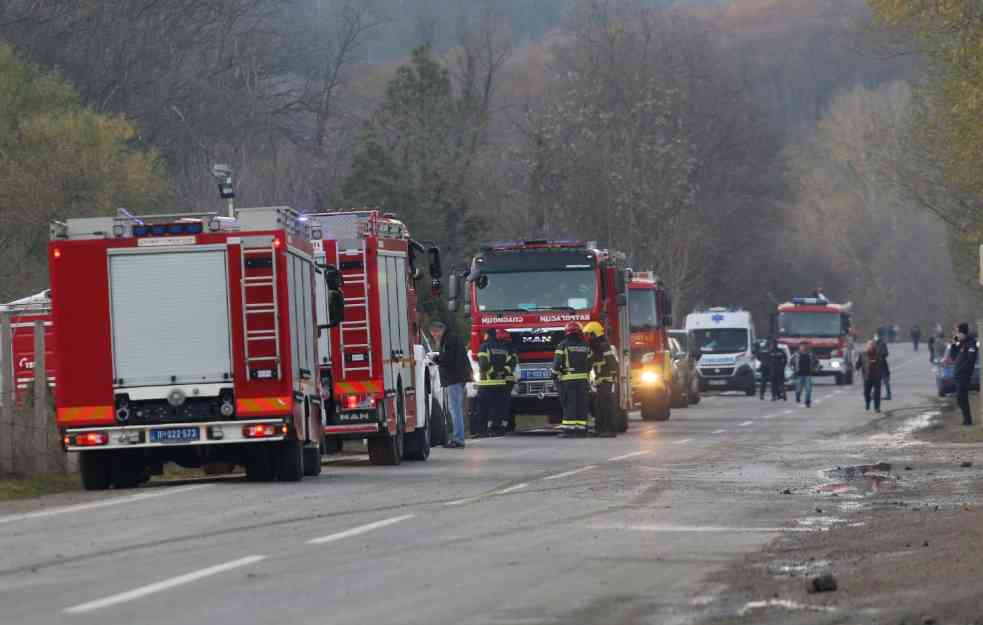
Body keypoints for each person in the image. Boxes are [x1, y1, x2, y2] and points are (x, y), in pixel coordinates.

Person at [430, 320, 469, 448]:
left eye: (435, 333)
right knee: (455, 408)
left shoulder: (448, 340)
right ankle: (458, 437)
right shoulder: (452, 338)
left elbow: (448, 359)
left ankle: (458, 439)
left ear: (440, 330)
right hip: (457, 377)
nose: (434, 335)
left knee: (455, 409)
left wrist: (435, 359)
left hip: (454, 378)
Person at [553, 321, 591, 437]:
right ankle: (581, 429)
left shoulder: (563, 345)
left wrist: (554, 374)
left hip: (568, 380)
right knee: (581, 404)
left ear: (567, 332)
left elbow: (557, 363)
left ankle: (569, 430)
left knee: (570, 404)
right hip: (583, 380)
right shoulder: (585, 345)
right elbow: (589, 364)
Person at [476, 329, 515, 437]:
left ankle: (481, 431)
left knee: (483, 408)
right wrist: (502, 372)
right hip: (500, 383)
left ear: (488, 335)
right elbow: (510, 364)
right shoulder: (503, 348)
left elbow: (483, 364)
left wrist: (492, 372)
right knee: (497, 408)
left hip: (486, 383)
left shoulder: (484, 347)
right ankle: (496, 430)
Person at [584, 321, 618, 438]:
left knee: (606, 406)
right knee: (598, 406)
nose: (588, 338)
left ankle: (610, 430)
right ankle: (600, 429)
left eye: (589, 335)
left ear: (596, 334)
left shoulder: (604, 346)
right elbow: (588, 364)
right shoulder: (595, 348)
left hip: (606, 381)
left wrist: (613, 378)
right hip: (599, 382)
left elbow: (613, 363)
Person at [954, 322, 978, 426]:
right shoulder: (962, 343)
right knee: (959, 398)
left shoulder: (971, 343)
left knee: (962, 397)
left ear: (964, 333)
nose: (957, 335)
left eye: (959, 333)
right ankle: (966, 419)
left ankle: (968, 420)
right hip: (958, 375)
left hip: (964, 375)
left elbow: (970, 360)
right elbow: (953, 354)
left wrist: (961, 370)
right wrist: (955, 341)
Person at [497, 329, 518, 433]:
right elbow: (513, 363)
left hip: (502, 380)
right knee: (506, 403)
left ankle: (502, 426)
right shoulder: (512, 348)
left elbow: (511, 363)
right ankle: (506, 424)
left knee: (501, 404)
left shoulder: (501, 348)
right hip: (509, 380)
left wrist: (501, 371)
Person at [856, 340, 882, 412]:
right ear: (867, 346)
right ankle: (867, 402)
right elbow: (858, 363)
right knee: (866, 393)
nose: (871, 346)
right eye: (870, 345)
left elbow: (881, 362)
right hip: (867, 377)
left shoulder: (878, 353)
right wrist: (857, 369)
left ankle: (877, 408)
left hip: (876, 376)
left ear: (874, 346)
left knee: (877, 393)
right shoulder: (863, 354)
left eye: (873, 344)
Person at [876, 334, 892, 401]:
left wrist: (881, 358)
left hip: (882, 365)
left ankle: (888, 395)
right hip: (877, 364)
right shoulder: (876, 344)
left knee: (885, 380)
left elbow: (885, 353)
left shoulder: (882, 344)